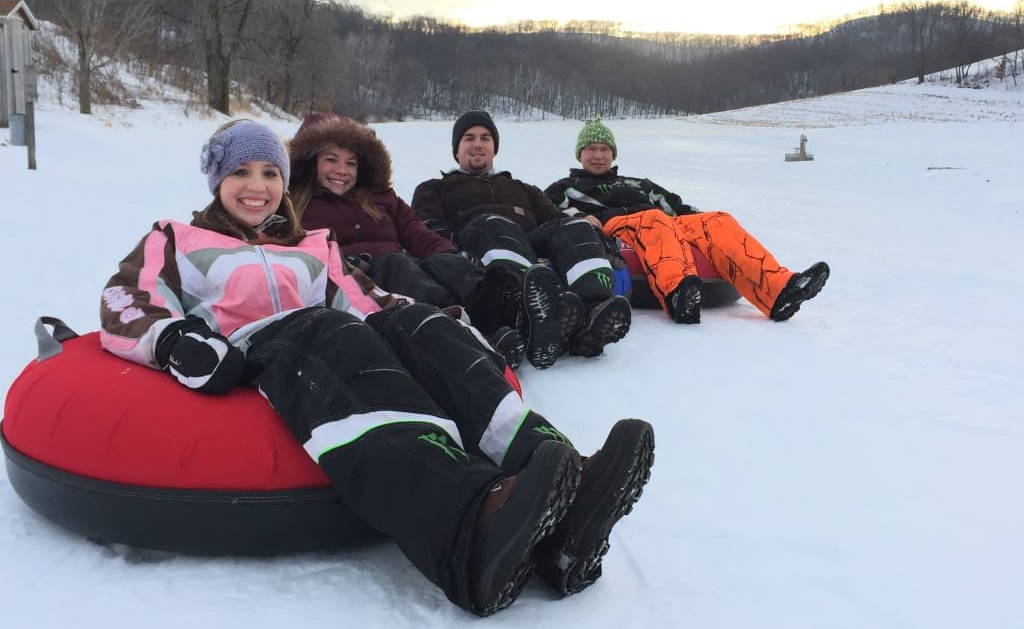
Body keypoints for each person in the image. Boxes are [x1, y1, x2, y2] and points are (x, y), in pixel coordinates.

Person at [98, 120, 655, 616]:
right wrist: (175, 342)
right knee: (332, 330)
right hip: (256, 349)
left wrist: (439, 324)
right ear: (216, 180)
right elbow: (127, 298)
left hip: (328, 333)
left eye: (270, 171)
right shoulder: (177, 238)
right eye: (241, 171)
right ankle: (472, 524)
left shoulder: (310, 244)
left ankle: (563, 498)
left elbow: (364, 298)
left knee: (419, 328)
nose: (258, 185)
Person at [287, 112, 525, 368]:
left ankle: (511, 311)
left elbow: (415, 232)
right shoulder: (295, 205)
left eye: (351, 163)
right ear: (310, 161)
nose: (342, 171)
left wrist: (449, 256)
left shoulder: (379, 197)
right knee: (395, 263)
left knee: (440, 261)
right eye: (331, 160)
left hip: (404, 277)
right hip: (354, 284)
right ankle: (455, 326)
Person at [544, 117, 830, 324]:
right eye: (591, 150)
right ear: (580, 154)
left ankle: (780, 292)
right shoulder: (566, 187)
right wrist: (581, 218)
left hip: (662, 224)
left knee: (718, 219)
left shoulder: (639, 184)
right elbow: (546, 215)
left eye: (604, 149)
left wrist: (699, 224)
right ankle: (679, 293)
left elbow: (677, 206)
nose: (598, 155)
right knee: (655, 219)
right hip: (616, 227)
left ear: (613, 153)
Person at [412, 110, 632, 369]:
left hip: (527, 242)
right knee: (495, 223)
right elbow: (427, 230)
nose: (478, 144)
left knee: (574, 225)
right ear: (456, 150)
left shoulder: (521, 188)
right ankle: (525, 311)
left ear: (494, 148)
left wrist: (585, 226)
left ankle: (592, 312)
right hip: (478, 241)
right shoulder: (434, 188)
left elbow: (554, 218)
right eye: (469, 138)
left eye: (485, 138)